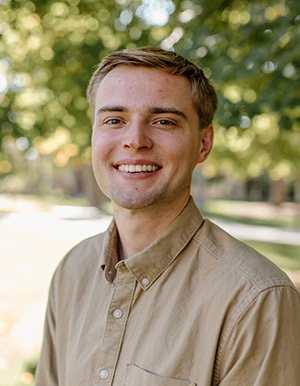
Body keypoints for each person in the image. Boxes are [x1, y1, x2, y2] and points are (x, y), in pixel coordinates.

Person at [36, 46, 300, 385]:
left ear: (204, 143)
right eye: (114, 120)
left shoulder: (256, 301)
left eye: (163, 121)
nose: (134, 141)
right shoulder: (71, 272)